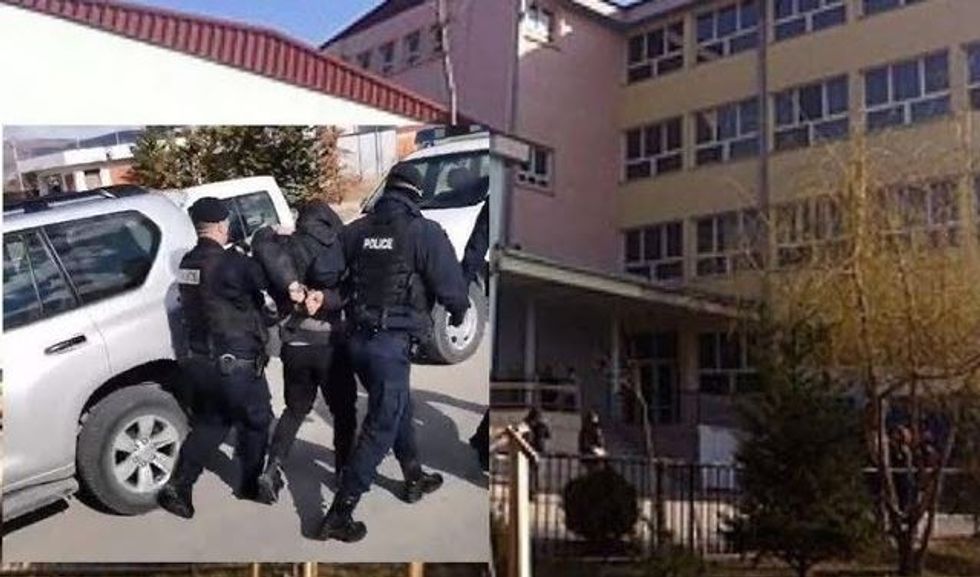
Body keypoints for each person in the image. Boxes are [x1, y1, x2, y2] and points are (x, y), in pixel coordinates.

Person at [317, 162, 471, 543]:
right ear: (416, 195)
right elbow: (452, 288)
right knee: (381, 423)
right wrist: (458, 312)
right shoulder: (424, 232)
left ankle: (413, 475)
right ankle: (340, 513)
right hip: (391, 344)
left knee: (397, 405)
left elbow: (324, 271)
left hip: (356, 341)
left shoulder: (357, 230)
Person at [157, 198, 274, 519]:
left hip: (200, 360)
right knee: (257, 419)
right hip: (235, 362)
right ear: (223, 225)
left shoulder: (187, 264)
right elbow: (262, 289)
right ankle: (249, 484)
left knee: (212, 422)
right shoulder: (231, 263)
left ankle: (179, 485)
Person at [250, 201, 357, 504]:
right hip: (330, 345)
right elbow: (350, 291)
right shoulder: (339, 247)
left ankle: (271, 469)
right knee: (344, 412)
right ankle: (343, 471)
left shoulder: (284, 247)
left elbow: (260, 244)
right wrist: (326, 299)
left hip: (295, 345)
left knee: (295, 409)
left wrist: (273, 230)